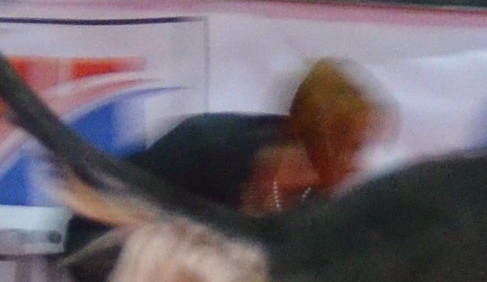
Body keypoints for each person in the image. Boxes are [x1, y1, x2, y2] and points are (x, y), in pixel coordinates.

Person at [134, 60, 382, 217]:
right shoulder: (205, 143)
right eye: (351, 146)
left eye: (359, 146)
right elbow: (128, 199)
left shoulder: (322, 197)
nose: (356, 162)